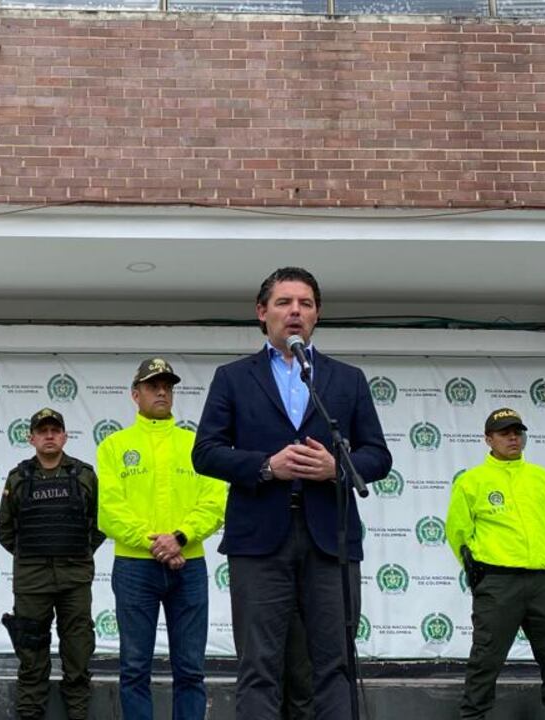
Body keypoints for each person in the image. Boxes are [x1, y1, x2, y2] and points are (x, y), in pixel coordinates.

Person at [192, 266, 392, 720]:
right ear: (262, 313)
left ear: (317, 314)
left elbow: (377, 456)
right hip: (260, 540)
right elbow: (205, 453)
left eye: (305, 303)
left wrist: (335, 467)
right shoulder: (233, 378)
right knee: (259, 664)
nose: (295, 312)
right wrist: (266, 466)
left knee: (334, 665)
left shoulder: (347, 380)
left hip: (331, 541)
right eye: (284, 303)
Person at [95, 357, 227, 720]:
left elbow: (214, 502)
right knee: (135, 668)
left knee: (191, 669)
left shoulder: (197, 444)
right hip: (136, 568)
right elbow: (110, 510)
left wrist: (180, 538)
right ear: (135, 394)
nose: (162, 392)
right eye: (153, 386)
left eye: (167, 386)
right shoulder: (114, 446)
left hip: (190, 566)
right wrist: (158, 544)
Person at [446, 408, 545, 720]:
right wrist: (477, 572)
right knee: (486, 660)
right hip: (498, 582)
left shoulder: (542, 478)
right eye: (504, 432)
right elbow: (458, 531)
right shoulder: (472, 481)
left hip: (542, 582)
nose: (513, 438)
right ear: (488, 439)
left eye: (517, 431)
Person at [0, 408, 104, 720]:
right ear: (31, 438)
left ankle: (78, 714)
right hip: (32, 582)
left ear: (65, 436)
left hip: (74, 580)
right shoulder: (18, 478)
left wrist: (76, 553)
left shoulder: (84, 475)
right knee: (31, 656)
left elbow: (98, 524)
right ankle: (30, 715)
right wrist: (33, 555)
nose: (49, 436)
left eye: (55, 430)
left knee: (78, 653)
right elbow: (6, 530)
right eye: (42, 431)